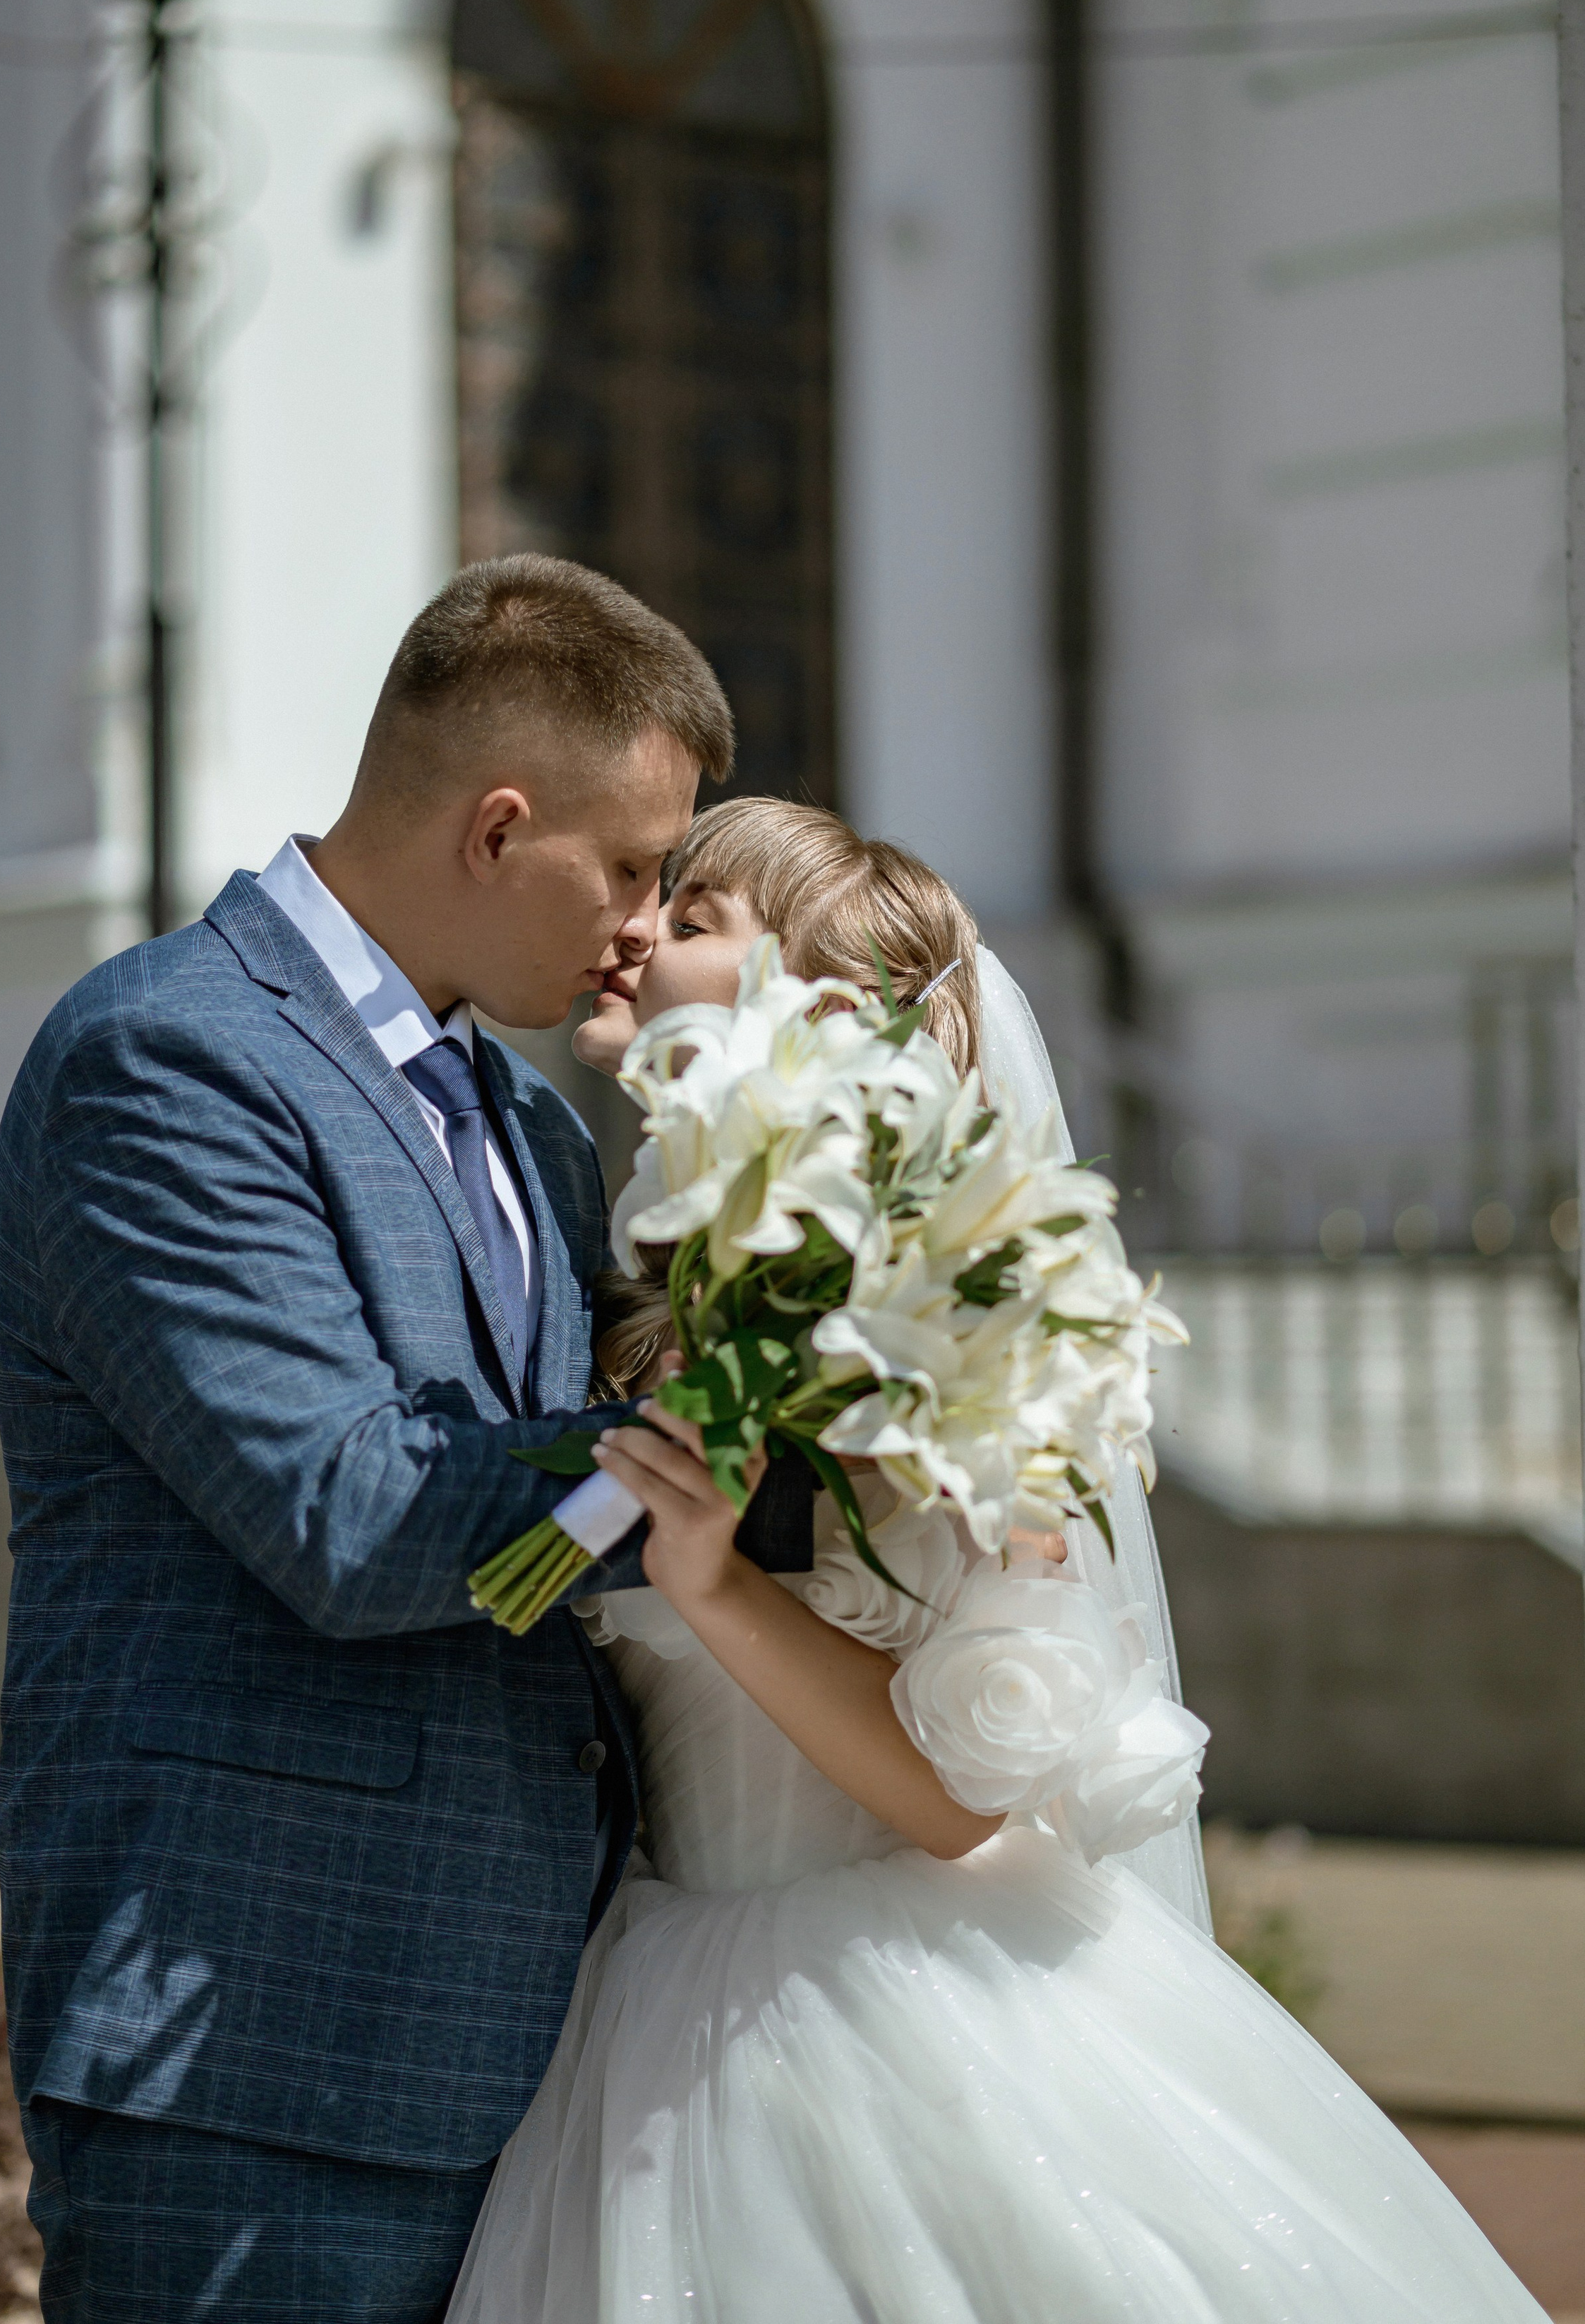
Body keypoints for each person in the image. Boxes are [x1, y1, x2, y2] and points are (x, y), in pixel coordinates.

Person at [447, 796, 1545, 2324]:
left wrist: (714, 1585)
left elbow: (961, 1801)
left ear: (817, 1015)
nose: (631, 931)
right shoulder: (648, 1291)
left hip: (873, 2008)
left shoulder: (944, 1316)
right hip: (643, 1984)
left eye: (690, 916)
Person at [0, 555, 743, 2324]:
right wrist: (727, 1442)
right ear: (496, 828)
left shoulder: (535, 1134)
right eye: (628, 868)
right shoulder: (163, 1061)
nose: (643, 923)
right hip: (257, 2046)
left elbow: (558, 1522)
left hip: (537, 2038)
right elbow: (350, 1517)